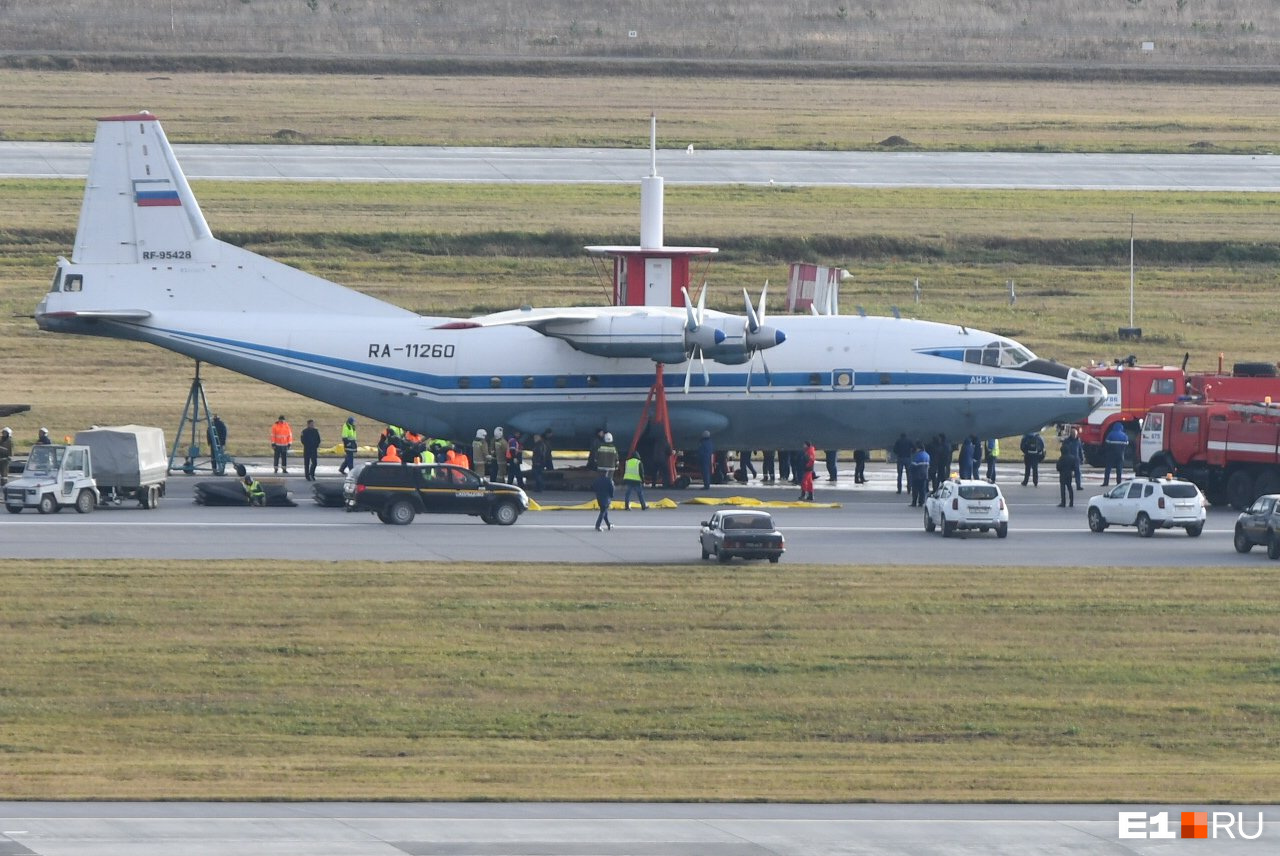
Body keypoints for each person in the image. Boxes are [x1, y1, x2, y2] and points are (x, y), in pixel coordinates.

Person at [1103, 421, 1128, 487]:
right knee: (1119, 469)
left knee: (1108, 468)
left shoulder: (1110, 434)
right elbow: (1126, 444)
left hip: (1111, 454)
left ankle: (1106, 482)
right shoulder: (1124, 435)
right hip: (1120, 455)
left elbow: (1107, 443)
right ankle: (1119, 482)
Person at [909, 442, 931, 508]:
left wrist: (910, 472)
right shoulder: (927, 455)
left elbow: (913, 465)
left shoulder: (917, 455)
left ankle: (914, 502)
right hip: (924, 475)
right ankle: (921, 502)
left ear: (919, 448)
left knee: (915, 489)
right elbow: (929, 465)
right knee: (922, 489)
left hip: (916, 474)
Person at [1056, 442, 1078, 508]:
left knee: (1063, 489)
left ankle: (1063, 502)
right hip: (1069, 474)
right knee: (1070, 488)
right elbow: (1074, 467)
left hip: (1062, 474)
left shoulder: (1061, 458)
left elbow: (1058, 467)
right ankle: (1071, 502)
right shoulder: (1072, 458)